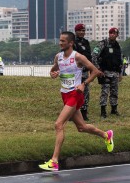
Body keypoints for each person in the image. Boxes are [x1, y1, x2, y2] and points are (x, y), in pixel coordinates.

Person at [39, 31, 114, 172]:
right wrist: (53, 74)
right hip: (65, 94)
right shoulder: (58, 57)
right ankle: (106, 135)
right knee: (81, 127)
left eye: (63, 41)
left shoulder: (78, 57)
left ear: (70, 43)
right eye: (60, 41)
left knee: (59, 124)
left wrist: (84, 83)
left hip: (76, 94)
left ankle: (54, 161)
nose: (60, 43)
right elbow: (53, 70)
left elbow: (95, 71)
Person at [92, 27, 123, 118]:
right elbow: (94, 56)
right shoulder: (102, 43)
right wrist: (98, 69)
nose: (112, 34)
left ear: (117, 35)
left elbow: (120, 59)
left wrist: (120, 73)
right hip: (104, 72)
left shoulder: (118, 45)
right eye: (111, 33)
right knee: (105, 92)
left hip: (115, 73)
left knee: (114, 92)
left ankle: (114, 109)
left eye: (114, 33)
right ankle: (103, 111)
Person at [73, 24, 92, 121]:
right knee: (74, 92)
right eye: (79, 30)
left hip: (84, 72)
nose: (81, 32)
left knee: (85, 92)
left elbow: (89, 57)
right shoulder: (72, 42)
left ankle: (84, 112)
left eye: (83, 30)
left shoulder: (86, 42)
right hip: (75, 72)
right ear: (75, 31)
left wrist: (91, 69)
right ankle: (73, 113)